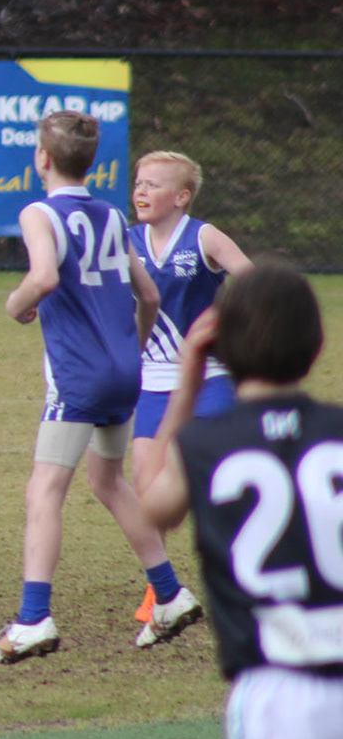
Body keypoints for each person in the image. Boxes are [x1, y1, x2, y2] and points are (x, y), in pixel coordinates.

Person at [0, 111, 200, 665]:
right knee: (108, 481)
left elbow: (44, 277)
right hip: (125, 371)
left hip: (78, 373)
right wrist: (132, 350)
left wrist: (16, 304)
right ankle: (169, 593)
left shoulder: (39, 212)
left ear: (42, 158)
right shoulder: (112, 215)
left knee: (44, 490)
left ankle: (33, 619)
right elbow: (149, 295)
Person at [139, 262, 343, 739]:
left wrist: (187, 380)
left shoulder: (207, 443)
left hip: (276, 690)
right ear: (316, 345)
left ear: (221, 348)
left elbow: (152, 508)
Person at [127, 149, 252, 637]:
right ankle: (162, 591)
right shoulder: (127, 241)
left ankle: (244, 577)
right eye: (139, 182)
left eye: (153, 184)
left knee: (210, 484)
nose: (141, 191)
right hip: (150, 382)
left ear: (182, 197)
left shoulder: (203, 237)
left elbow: (256, 282)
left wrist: (225, 321)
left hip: (208, 378)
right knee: (146, 489)